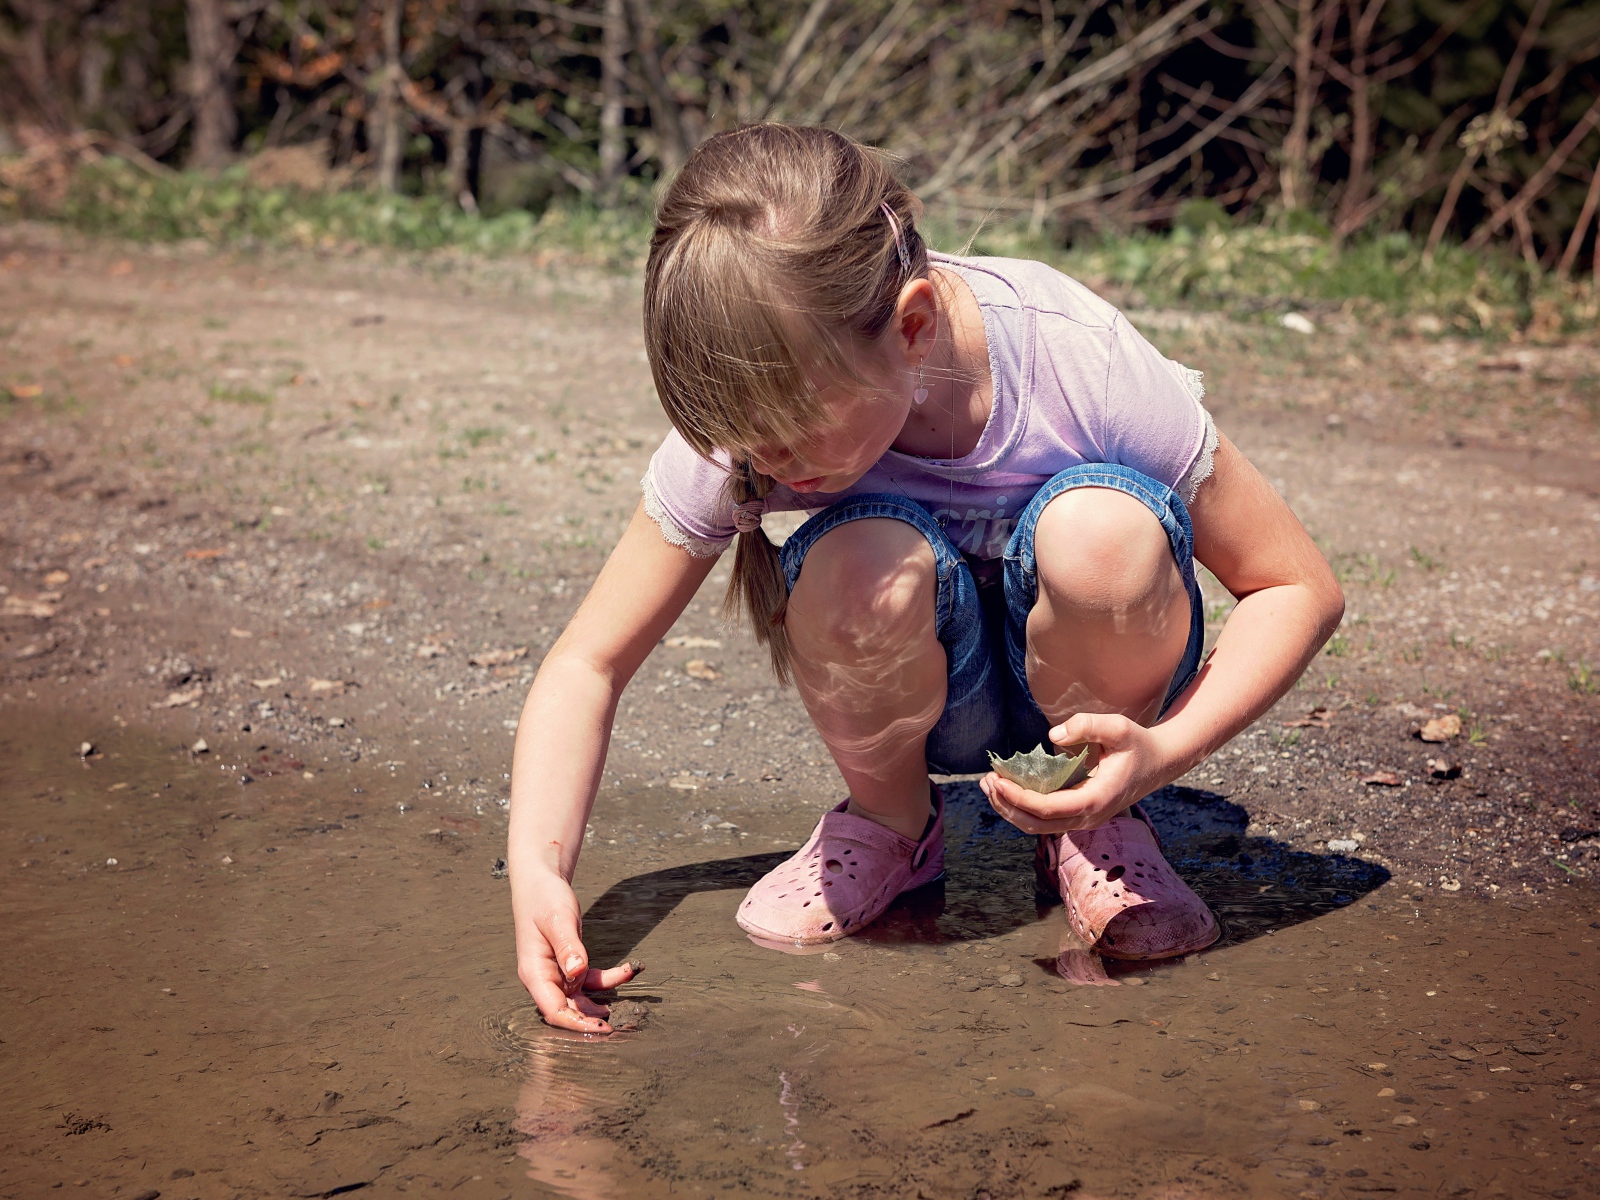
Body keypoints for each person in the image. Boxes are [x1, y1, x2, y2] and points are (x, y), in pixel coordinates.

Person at [508, 124, 1344, 1033]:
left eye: (789, 434)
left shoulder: (1075, 357)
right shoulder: (752, 411)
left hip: (1105, 692)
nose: (765, 458)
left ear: (910, 327)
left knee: (1100, 534)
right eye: (745, 440)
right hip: (924, 699)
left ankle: (1094, 820)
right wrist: (542, 877)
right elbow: (588, 662)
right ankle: (892, 826)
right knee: (857, 564)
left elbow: (1295, 586)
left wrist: (1162, 757)